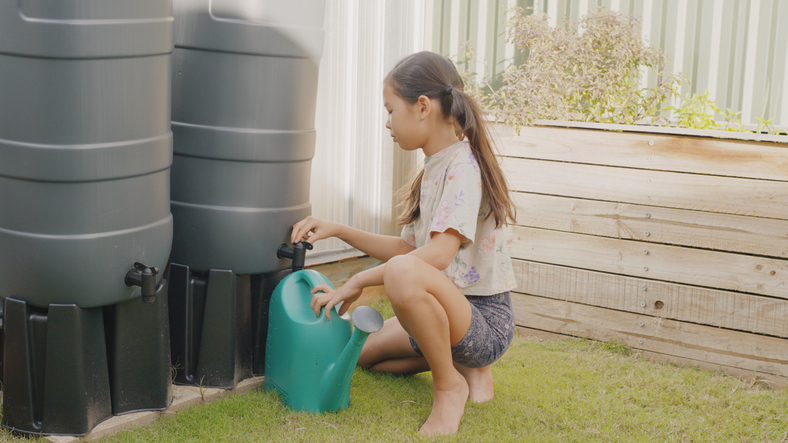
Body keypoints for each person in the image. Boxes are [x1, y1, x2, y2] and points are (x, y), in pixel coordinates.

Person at [290, 51, 517, 436]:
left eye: (391, 110)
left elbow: (437, 257)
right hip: (442, 311)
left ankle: (451, 385)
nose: (387, 122)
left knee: (401, 274)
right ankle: (463, 367)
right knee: (360, 357)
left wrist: (358, 281)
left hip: (482, 321)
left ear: (423, 107)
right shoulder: (434, 168)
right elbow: (407, 252)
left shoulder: (462, 168)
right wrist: (339, 229)